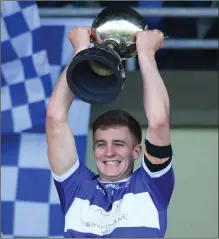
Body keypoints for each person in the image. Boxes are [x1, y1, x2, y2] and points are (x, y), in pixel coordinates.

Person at [46, 27, 175, 238]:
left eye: (118, 144)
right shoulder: (76, 186)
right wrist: (81, 51)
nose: (108, 152)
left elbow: (159, 121)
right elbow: (55, 117)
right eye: (101, 144)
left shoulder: (152, 184)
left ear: (137, 151)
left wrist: (146, 54)